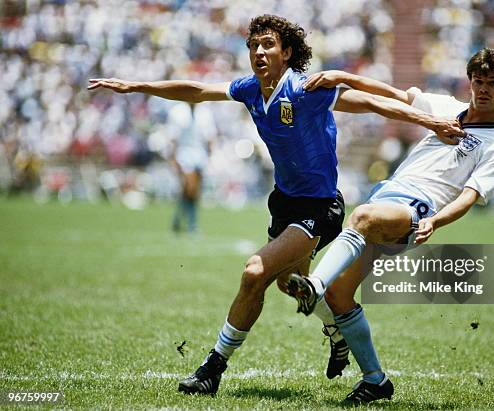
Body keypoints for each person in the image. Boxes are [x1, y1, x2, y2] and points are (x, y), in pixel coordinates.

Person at [88, 14, 465, 398]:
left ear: (287, 52)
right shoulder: (250, 89)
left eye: (267, 44)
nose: (258, 52)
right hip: (283, 202)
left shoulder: (304, 89)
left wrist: (429, 122)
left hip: (319, 208)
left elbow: (369, 103)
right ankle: (339, 335)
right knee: (289, 284)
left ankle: (212, 368)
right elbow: (197, 90)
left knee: (255, 273)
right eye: (253, 45)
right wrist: (136, 86)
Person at [287, 48, 494, 404]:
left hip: (415, 210)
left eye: (493, 83)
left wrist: (436, 221)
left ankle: (315, 283)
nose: (483, 89)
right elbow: (391, 93)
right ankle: (375, 380)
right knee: (340, 296)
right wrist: (340, 75)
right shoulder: (445, 108)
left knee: (361, 217)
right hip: (388, 195)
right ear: (469, 81)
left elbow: (470, 196)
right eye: (478, 80)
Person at [169, 103, 210, 234]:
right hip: (184, 154)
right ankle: (192, 224)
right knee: (190, 188)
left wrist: (210, 155)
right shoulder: (177, 112)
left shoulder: (205, 113)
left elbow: (209, 136)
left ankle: (177, 219)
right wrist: (174, 158)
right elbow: (174, 138)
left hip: (200, 154)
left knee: (193, 192)